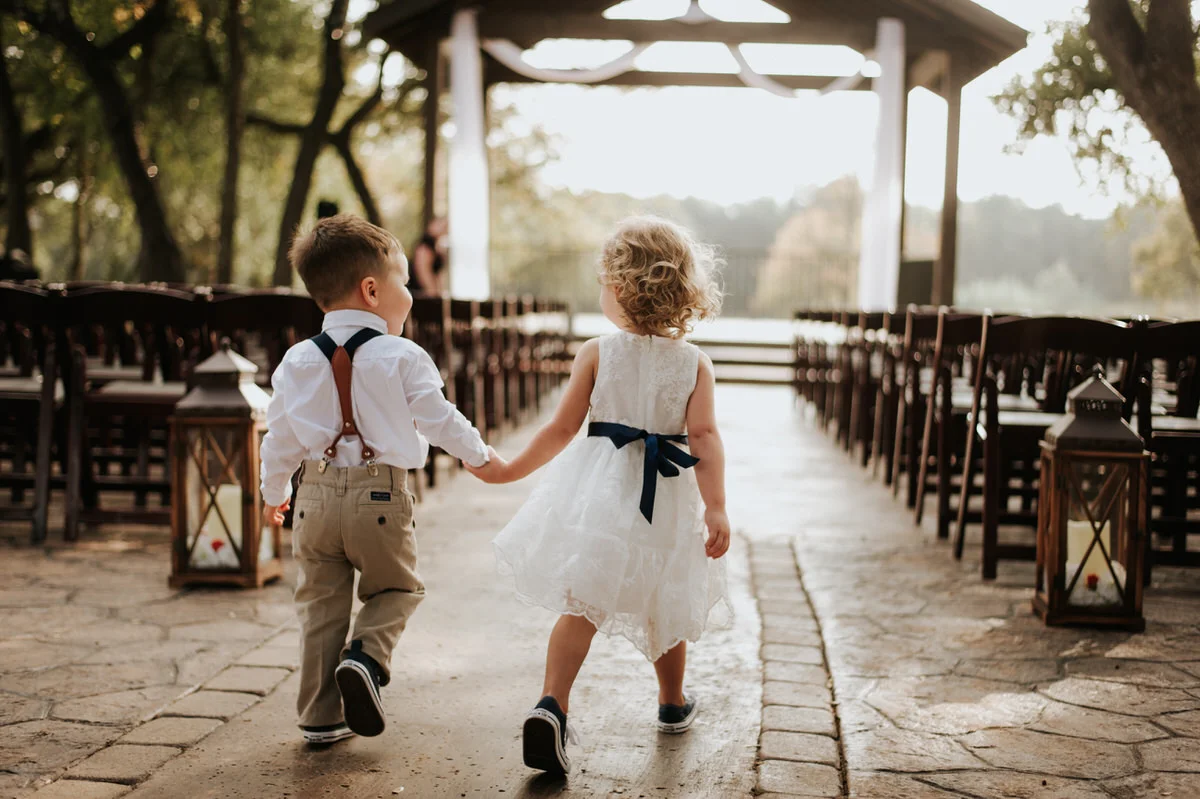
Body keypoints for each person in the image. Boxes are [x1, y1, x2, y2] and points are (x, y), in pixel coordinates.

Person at [466, 216, 733, 774]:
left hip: (598, 498)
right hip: (663, 496)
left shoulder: (597, 352)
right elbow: (704, 438)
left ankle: (552, 703)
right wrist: (716, 506)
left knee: (581, 602)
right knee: (666, 600)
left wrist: (510, 469)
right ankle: (671, 702)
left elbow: (560, 429)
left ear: (620, 288)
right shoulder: (694, 363)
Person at [260, 214, 498, 745]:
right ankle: (366, 658)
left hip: (314, 497)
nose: (409, 294)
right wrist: (480, 457)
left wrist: (273, 494)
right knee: (396, 588)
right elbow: (440, 420)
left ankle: (320, 717)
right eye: (405, 283)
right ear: (372, 290)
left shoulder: (296, 360)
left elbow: (277, 438)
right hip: (381, 496)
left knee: (320, 605)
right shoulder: (403, 355)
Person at [408, 217, 447, 295]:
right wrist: (432, 293)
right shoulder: (424, 247)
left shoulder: (438, 247)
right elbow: (423, 273)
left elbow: (437, 274)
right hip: (420, 292)